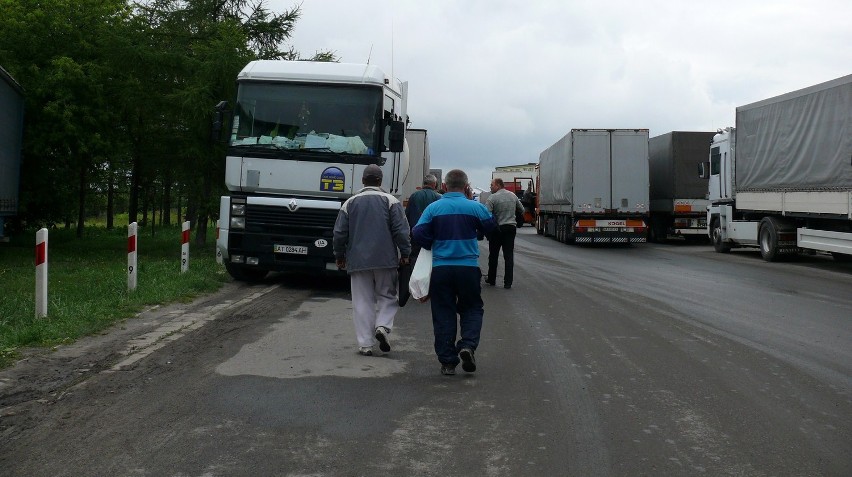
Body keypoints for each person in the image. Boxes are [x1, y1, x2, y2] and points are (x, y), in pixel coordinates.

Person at [412, 169, 497, 375]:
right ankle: (467, 345)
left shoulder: (433, 208)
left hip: (441, 269)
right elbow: (493, 229)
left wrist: (432, 243)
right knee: (472, 308)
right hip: (467, 268)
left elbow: (417, 232)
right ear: (467, 187)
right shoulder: (475, 207)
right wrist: (476, 232)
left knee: (443, 312)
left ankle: (448, 362)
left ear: (444, 186)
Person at [333, 164, 411, 356]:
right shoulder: (391, 201)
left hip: (358, 261)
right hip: (386, 259)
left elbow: (339, 233)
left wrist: (339, 256)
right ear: (380, 181)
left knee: (362, 301)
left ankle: (365, 344)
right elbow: (401, 231)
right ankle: (383, 326)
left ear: (362, 180)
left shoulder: (349, 203)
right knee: (387, 296)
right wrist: (406, 253)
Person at [484, 178, 524, 289]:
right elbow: (522, 209)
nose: (490, 187)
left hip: (497, 230)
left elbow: (486, 214)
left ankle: (492, 279)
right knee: (508, 255)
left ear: (498, 185)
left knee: (493, 255)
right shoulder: (513, 196)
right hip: (510, 229)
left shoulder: (492, 197)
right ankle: (508, 282)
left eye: (492, 185)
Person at [405, 174, 442, 260]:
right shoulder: (438, 197)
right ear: (434, 184)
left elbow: (407, 215)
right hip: (433, 237)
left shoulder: (414, 196)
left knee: (415, 259)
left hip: (415, 235)